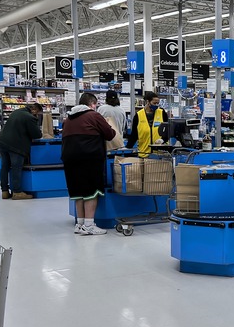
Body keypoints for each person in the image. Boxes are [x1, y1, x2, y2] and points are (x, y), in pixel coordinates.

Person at [62, 93, 116, 236]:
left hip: (69, 159)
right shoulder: (93, 115)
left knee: (78, 191)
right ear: (92, 104)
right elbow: (110, 134)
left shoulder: (68, 118)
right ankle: (89, 224)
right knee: (91, 192)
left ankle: (79, 224)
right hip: (89, 158)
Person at [0, 102, 43, 200]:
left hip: (2, 141)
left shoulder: (16, 112)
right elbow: (37, 134)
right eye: (37, 113)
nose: (37, 115)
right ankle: (17, 192)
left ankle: (4, 191)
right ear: (34, 110)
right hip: (16, 144)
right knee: (16, 167)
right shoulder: (30, 117)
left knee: (4, 166)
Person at [126, 91, 168, 157]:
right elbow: (134, 134)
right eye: (154, 103)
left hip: (160, 154)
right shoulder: (138, 115)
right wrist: (127, 148)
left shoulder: (162, 113)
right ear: (148, 102)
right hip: (144, 153)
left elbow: (168, 131)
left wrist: (163, 140)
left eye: (158, 103)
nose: (156, 105)